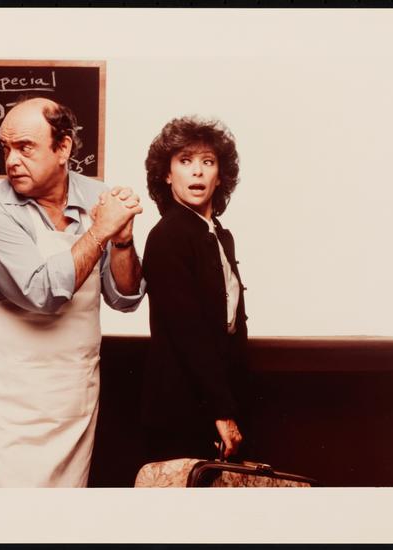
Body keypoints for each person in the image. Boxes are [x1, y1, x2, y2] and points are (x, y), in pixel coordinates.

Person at [0, 96, 146, 487]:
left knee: (60, 512)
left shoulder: (98, 197)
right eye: (6, 148)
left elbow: (124, 298)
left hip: (70, 396)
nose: (11, 161)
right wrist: (101, 231)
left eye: (25, 147)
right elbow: (41, 293)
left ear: (63, 148)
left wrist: (123, 240)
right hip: (0, 397)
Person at [141, 116, 248, 464]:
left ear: (220, 175)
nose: (197, 171)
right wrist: (222, 410)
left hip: (218, 400)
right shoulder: (168, 235)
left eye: (208, 161)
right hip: (181, 406)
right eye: (185, 161)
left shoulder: (219, 234)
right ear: (167, 173)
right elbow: (188, 333)